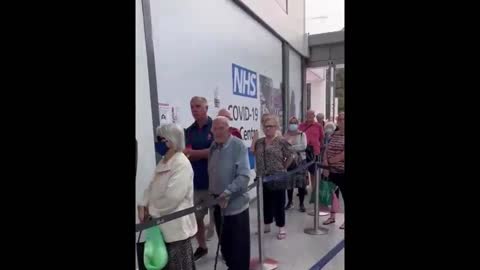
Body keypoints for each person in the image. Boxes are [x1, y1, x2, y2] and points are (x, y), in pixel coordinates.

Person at [138, 123, 197, 270]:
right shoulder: (163, 162)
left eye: (160, 139)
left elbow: (173, 197)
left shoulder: (181, 163)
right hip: (161, 227)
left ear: (171, 141)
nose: (157, 143)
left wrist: (152, 211)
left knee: (179, 265)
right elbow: (151, 187)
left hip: (176, 229)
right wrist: (142, 204)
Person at [208, 116, 251, 270]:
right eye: (215, 129)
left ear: (228, 129)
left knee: (238, 249)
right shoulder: (214, 146)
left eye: (221, 128)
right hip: (218, 205)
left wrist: (227, 192)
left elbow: (244, 176)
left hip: (235, 207)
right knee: (225, 248)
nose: (218, 132)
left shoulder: (238, 145)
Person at [254, 114, 293, 240]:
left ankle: (281, 227)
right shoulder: (259, 142)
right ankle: (267, 224)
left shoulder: (281, 141)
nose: (268, 129)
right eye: (265, 126)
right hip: (263, 177)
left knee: (279, 203)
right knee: (266, 202)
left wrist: (283, 168)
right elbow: (255, 154)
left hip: (278, 177)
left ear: (276, 127)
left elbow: (290, 156)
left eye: (271, 126)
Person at [184, 96, 213, 260]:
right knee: (197, 219)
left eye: (198, 106)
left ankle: (224, 249)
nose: (194, 109)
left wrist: (194, 153)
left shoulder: (215, 127)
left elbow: (214, 153)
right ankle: (202, 247)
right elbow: (185, 155)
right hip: (195, 183)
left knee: (219, 220)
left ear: (206, 108)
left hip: (214, 183)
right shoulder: (189, 131)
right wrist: (202, 154)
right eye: (192, 107)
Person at [322, 112, 345, 229]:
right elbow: (327, 148)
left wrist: (330, 161)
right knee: (332, 195)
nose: (341, 121)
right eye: (339, 119)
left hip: (342, 171)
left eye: (343, 119)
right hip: (331, 171)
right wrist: (326, 163)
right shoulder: (334, 134)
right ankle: (332, 216)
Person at [284, 116, 308, 212]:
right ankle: (290, 202)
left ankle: (301, 204)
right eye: (291, 122)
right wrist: (292, 147)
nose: (293, 124)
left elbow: (303, 146)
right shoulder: (285, 134)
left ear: (297, 124)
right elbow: (283, 146)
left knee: (301, 184)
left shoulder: (302, 134)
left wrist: (291, 147)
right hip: (289, 162)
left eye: (295, 122)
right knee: (289, 184)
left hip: (301, 161)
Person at [299, 110, 324, 188]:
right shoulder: (301, 125)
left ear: (314, 116)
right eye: (308, 115)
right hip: (303, 151)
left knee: (313, 172)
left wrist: (321, 149)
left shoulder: (318, 126)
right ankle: (303, 189)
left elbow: (321, 138)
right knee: (303, 171)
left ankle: (314, 190)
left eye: (311, 115)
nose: (309, 116)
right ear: (305, 116)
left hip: (314, 151)